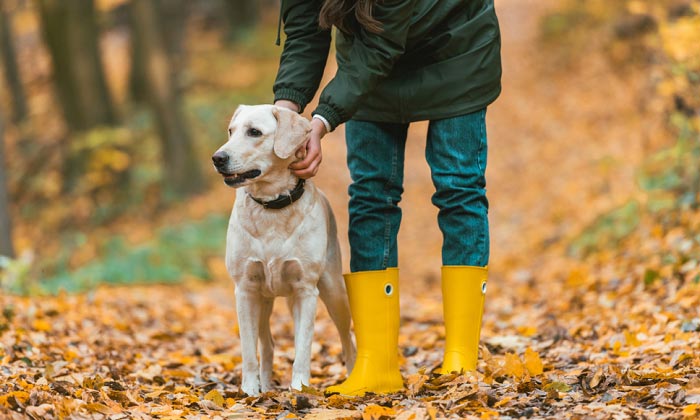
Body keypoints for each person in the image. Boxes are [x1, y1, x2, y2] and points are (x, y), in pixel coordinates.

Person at [272, 0, 501, 396]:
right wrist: (282, 117)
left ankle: (462, 358)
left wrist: (323, 119)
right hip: (370, 64)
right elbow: (306, 34)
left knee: (458, 187)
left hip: (456, 49)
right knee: (370, 195)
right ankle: (376, 363)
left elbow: (382, 45)